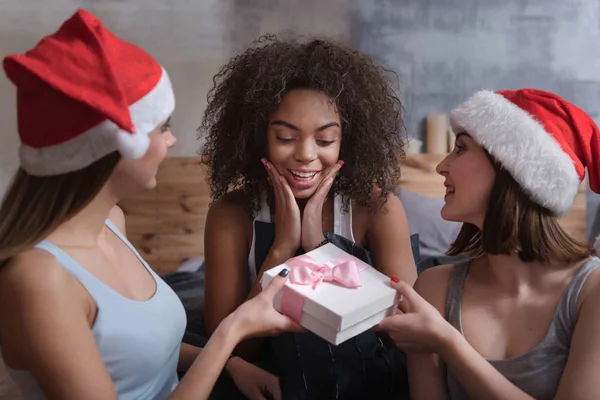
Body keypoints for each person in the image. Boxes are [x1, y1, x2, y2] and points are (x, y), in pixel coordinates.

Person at [0, 9, 300, 400]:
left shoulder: (110, 221)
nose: (172, 142)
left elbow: (140, 351)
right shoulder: (38, 281)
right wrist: (233, 332)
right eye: (162, 128)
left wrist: (232, 364)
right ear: (112, 150)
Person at [200, 35, 418, 399]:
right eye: (286, 137)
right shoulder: (231, 215)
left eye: (324, 140)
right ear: (258, 137)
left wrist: (319, 246)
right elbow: (232, 350)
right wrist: (282, 248)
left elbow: (408, 333)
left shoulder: (377, 208)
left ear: (347, 140)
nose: (305, 155)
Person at [376, 88, 600, 399]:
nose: (442, 166)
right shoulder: (434, 288)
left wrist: (447, 342)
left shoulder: (591, 290)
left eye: (460, 148)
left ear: (510, 168)